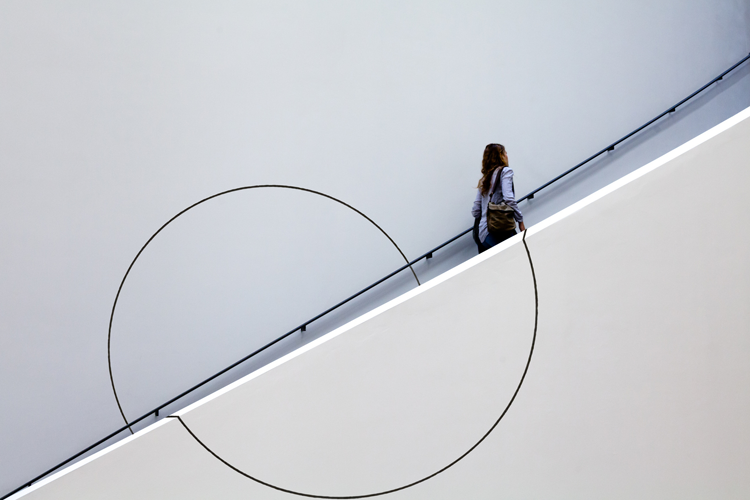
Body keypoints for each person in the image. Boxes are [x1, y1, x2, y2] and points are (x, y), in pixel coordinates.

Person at [471, 143, 525, 253]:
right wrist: (520, 220)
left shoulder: (485, 178)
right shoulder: (506, 171)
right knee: (518, 255)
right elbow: (509, 199)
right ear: (501, 156)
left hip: (483, 236)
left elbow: (476, 210)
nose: (507, 155)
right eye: (505, 153)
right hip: (498, 230)